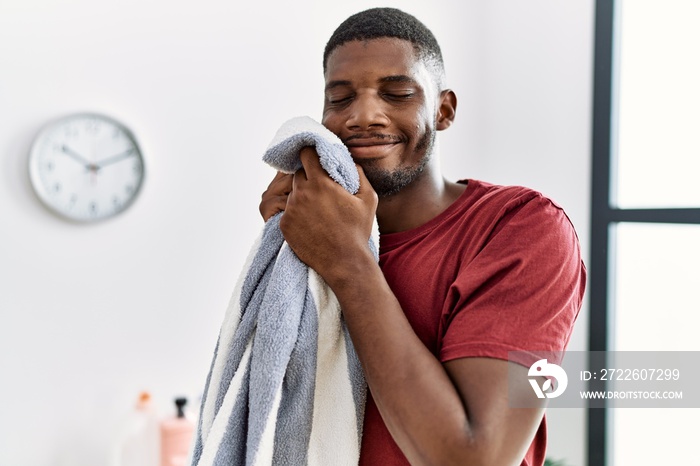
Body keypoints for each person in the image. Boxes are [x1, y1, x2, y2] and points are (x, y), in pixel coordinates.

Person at [259, 7, 586, 466]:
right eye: (340, 98)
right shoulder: (309, 233)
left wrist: (348, 261)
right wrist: (286, 251)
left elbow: (476, 458)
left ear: (444, 109)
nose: (363, 115)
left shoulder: (519, 227)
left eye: (397, 93)